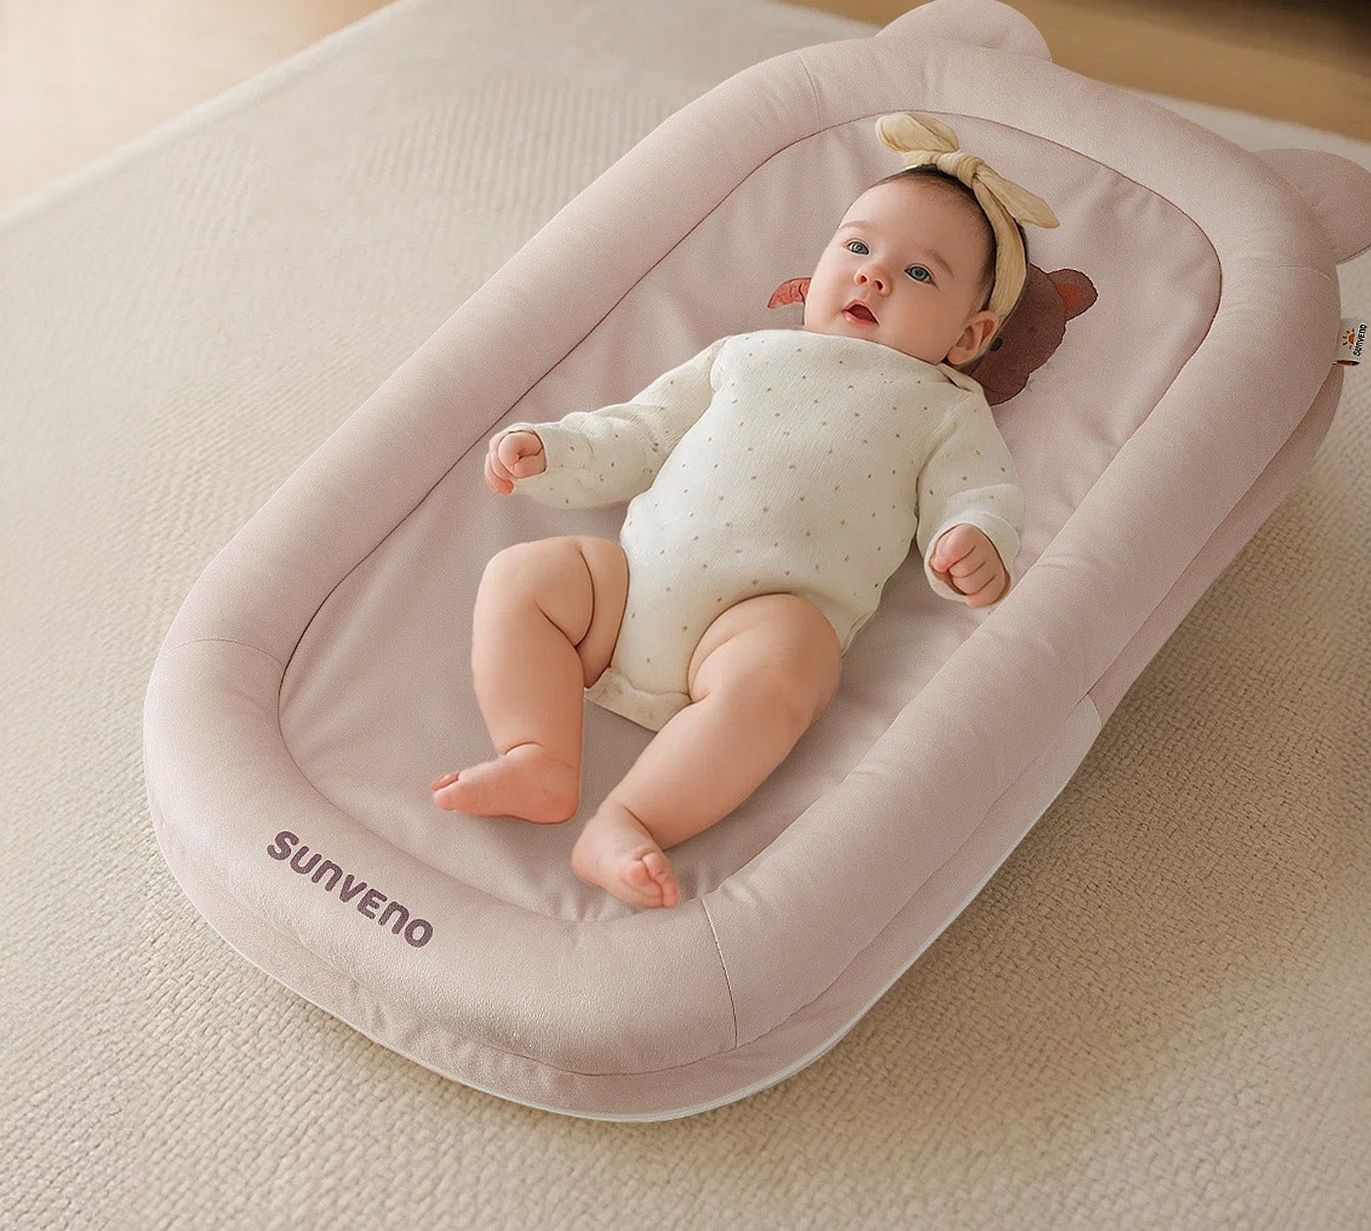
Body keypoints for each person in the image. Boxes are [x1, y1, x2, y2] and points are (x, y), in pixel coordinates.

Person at [430, 111, 1059, 910]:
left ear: (969, 336)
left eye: (918, 273)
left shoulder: (943, 405)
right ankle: (538, 756)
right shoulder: (747, 353)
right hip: (622, 597)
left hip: (751, 630)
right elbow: (640, 432)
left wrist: (971, 539)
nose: (873, 277)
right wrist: (552, 451)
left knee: (794, 661)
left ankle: (630, 818)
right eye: (857, 248)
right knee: (526, 573)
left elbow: (978, 490)